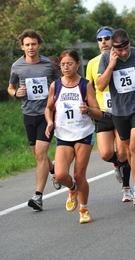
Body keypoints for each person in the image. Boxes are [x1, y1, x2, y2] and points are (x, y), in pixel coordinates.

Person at [96, 28, 135, 206]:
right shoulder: (106, 58)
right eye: (118, 50)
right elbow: (99, 85)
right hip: (119, 111)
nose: (123, 52)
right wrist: (112, 65)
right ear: (113, 48)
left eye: (125, 48)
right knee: (128, 151)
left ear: (129, 43)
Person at [45, 49, 102, 224]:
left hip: (83, 134)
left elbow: (98, 113)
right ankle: (73, 189)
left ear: (78, 64)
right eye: (63, 64)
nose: (66, 67)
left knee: (79, 174)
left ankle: (84, 210)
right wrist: (49, 122)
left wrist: (89, 110)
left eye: (70, 63)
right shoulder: (56, 85)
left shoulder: (85, 85)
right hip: (63, 135)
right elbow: (48, 107)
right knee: (61, 175)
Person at [7, 29, 61, 212]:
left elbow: (61, 83)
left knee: (41, 153)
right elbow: (10, 87)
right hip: (28, 115)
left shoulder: (49, 64)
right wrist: (15, 93)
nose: (30, 47)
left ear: (39, 45)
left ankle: (38, 196)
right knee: (39, 156)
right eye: (27, 44)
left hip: (47, 114)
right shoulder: (17, 66)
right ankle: (53, 170)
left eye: (34, 44)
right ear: (22, 46)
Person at [86, 26, 133, 202]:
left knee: (123, 152)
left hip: (121, 111)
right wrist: (91, 109)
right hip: (103, 113)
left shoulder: (122, 58)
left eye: (107, 38)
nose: (103, 42)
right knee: (105, 153)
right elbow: (88, 88)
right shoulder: (92, 63)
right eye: (100, 39)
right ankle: (118, 165)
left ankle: (127, 188)